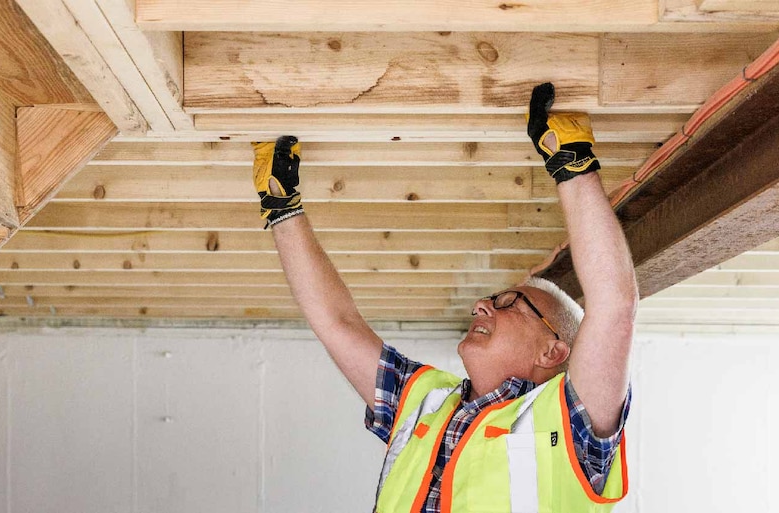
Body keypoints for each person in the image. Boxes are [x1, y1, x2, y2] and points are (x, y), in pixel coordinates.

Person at [251, 83, 638, 513]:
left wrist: (573, 164)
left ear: (554, 350)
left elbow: (614, 307)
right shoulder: (429, 401)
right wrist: (283, 207)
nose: (481, 306)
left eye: (507, 302)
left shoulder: (572, 424)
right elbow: (338, 322)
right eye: (497, 300)